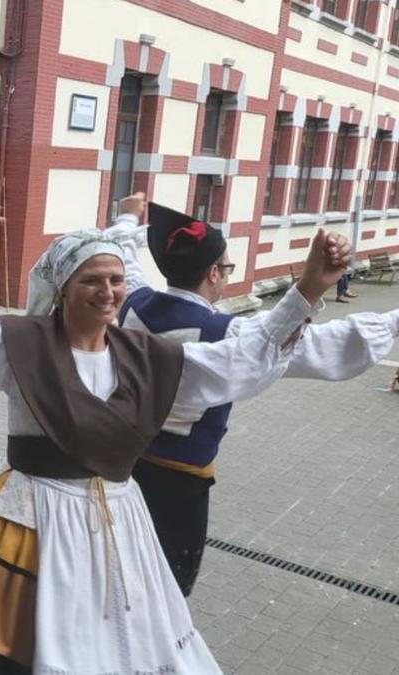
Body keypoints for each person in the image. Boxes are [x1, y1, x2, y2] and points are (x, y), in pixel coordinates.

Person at [0, 209, 352, 673]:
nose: (108, 291)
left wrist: (306, 290)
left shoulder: (146, 356)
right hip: (31, 519)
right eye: (92, 280)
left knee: (121, 643)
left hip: (120, 519)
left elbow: (242, 362)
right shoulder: (19, 341)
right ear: (63, 287)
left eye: (115, 279)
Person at [114, 194, 399, 597]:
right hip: (179, 487)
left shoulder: (132, 301)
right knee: (165, 590)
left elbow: (122, 256)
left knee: (116, 571)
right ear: (213, 273)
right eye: (227, 268)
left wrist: (126, 216)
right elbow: (313, 343)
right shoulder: (227, 335)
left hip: (121, 466)